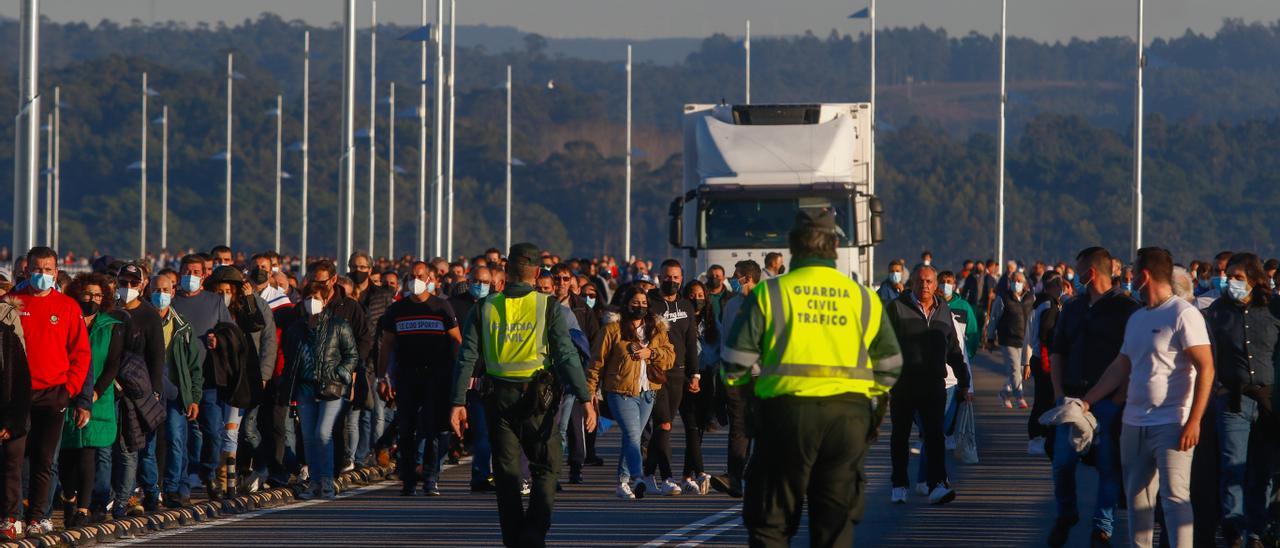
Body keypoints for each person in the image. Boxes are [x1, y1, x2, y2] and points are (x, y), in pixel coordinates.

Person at [721, 209, 903, 546]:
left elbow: (734, 362)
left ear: (793, 246)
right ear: (834, 245)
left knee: (770, 521)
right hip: (848, 419)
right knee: (834, 525)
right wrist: (872, 408)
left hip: (785, 416)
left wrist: (751, 403)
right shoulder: (863, 297)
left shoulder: (770, 293)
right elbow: (891, 364)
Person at [449, 243, 596, 548]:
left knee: (506, 472)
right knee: (547, 465)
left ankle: (514, 538)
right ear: (537, 272)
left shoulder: (485, 307)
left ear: (507, 270)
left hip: (497, 399)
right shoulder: (548, 306)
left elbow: (467, 356)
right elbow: (567, 355)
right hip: (537, 401)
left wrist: (457, 402)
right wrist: (585, 397)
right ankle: (533, 532)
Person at [1082, 247, 1214, 548]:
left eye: (1132, 272)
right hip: (1133, 423)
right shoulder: (1137, 318)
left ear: (1143, 276)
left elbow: (1206, 367)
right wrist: (1086, 401)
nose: (1129, 278)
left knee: (1175, 498)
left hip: (1173, 423)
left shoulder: (1183, 314)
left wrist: (1194, 420)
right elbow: (1121, 366)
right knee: (1137, 500)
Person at [1048, 246, 1141, 547]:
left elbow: (1133, 359)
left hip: (1109, 401)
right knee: (1062, 461)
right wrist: (1059, 393)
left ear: (1090, 273)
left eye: (1077, 272)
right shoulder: (1073, 308)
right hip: (1073, 399)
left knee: (1108, 466)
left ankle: (1103, 526)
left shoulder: (1127, 309)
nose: (1073, 279)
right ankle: (1066, 513)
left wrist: (1118, 400)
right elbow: (1058, 351)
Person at [3, 247, 91, 539]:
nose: (43, 275)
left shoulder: (67, 307)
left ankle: (38, 517)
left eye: (48, 269)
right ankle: (10, 517)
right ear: (26, 271)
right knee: (13, 457)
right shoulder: (9, 304)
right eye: (37, 269)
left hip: (54, 393)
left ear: (56, 272)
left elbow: (81, 353)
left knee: (45, 459)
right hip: (16, 395)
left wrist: (70, 390)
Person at [1203, 252, 1279, 547]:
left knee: (1262, 470)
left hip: (1268, 400)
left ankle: (1257, 530)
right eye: (1229, 276)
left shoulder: (1274, 309)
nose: (1230, 282)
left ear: (1254, 279)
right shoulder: (1218, 311)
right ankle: (1233, 527)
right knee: (1232, 462)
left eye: (1238, 277)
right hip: (1232, 397)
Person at [886, 264, 968, 505]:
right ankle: (899, 484)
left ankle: (937, 484)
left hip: (934, 384)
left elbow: (953, 349)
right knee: (900, 436)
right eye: (920, 281)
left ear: (936, 285)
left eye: (930, 281)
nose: (925, 286)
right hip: (903, 384)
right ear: (911, 282)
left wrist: (964, 381)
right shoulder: (897, 308)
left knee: (935, 436)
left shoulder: (944, 310)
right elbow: (883, 345)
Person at [378, 262, 460, 496]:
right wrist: (382, 376)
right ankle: (408, 479)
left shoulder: (441, 307)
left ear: (430, 279)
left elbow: (456, 341)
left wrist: (458, 374)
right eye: (412, 277)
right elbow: (387, 345)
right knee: (407, 429)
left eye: (420, 276)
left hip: (436, 375)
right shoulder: (397, 310)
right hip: (406, 375)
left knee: (433, 428)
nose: (416, 280)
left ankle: (431, 477)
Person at [586, 285, 674, 499]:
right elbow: (596, 363)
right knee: (633, 435)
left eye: (644, 303)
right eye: (635, 303)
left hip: (648, 392)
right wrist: (589, 394)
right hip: (620, 391)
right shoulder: (612, 330)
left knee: (631, 439)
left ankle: (622, 483)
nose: (640, 307)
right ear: (626, 304)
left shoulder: (657, 329)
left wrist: (651, 353)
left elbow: (670, 356)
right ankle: (637, 477)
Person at [281, 270, 360, 500]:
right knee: (308, 436)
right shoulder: (297, 329)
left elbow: (351, 355)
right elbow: (290, 356)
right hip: (305, 388)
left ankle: (327, 480)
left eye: (316, 298)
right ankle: (314, 481)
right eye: (307, 299)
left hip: (332, 388)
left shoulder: (339, 325)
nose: (311, 303)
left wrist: (340, 373)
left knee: (323, 433)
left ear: (325, 300)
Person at [59, 274, 125, 528]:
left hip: (98, 396)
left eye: (97, 295)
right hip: (67, 392)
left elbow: (112, 364)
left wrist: (96, 391)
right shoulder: (67, 319)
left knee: (89, 451)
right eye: (88, 294)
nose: (92, 299)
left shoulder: (111, 325)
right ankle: (68, 497)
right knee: (66, 454)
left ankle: (84, 508)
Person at [170, 254, 234, 499]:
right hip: (178, 378)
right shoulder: (171, 302)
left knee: (212, 431)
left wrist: (219, 340)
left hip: (208, 379)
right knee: (179, 435)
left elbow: (230, 333)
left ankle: (208, 471)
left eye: (195, 272)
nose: (190, 276)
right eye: (186, 271)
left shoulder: (215, 301)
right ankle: (182, 484)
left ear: (204, 275)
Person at [111, 263, 167, 513]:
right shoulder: (111, 312)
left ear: (143, 285)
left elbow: (157, 356)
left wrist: (154, 390)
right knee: (122, 447)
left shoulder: (149, 314)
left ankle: (150, 492)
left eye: (134, 283)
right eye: (124, 283)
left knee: (143, 447)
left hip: (142, 389)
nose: (129, 288)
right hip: (114, 387)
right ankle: (123, 497)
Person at [644, 259, 699, 496]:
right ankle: (666, 477)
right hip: (655, 372)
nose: (672, 281)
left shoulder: (686, 305)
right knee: (663, 423)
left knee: (664, 427)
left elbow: (690, 342)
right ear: (659, 277)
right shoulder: (650, 303)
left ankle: (646, 475)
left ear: (682, 278)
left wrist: (694, 374)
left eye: (676, 277)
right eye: (667, 276)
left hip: (679, 372)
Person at [708, 259, 762, 499]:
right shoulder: (731, 305)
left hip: (761, 376)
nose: (732, 279)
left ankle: (755, 473)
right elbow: (725, 341)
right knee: (738, 428)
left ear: (748, 278)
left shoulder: (766, 303)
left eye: (736, 276)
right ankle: (735, 477)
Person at [549, 263, 599, 484]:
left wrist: (591, 379)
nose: (561, 283)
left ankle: (576, 464)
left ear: (572, 282)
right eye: (557, 279)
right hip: (549, 376)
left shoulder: (581, 309)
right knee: (554, 426)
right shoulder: (543, 305)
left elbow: (592, 343)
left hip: (575, 374)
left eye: (565, 279)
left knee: (573, 425)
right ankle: (552, 471)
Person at [448, 264, 495, 491]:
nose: (481, 286)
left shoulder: (496, 305)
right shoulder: (455, 305)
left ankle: (486, 473)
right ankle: (479, 473)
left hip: (491, 378)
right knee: (478, 430)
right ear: (468, 280)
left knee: (488, 430)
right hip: (464, 375)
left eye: (486, 282)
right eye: (477, 281)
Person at [678, 280, 717, 495]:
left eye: (700, 294)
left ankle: (686, 475)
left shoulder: (711, 322)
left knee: (698, 428)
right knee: (690, 425)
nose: (696, 299)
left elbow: (717, 349)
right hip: (685, 376)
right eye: (692, 295)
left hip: (706, 376)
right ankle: (700, 472)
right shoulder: (682, 319)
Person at [1026, 272, 1065, 456]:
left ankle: (1038, 435)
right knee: (1044, 400)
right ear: (1055, 285)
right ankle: (1038, 436)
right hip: (1044, 358)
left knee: (1042, 398)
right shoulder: (1049, 305)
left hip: (1038, 356)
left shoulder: (1040, 302)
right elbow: (1046, 334)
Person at [987, 270, 1036, 409]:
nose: (1016, 283)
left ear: (1025, 283)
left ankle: (1004, 394)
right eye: (1014, 280)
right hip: (1007, 339)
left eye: (1019, 281)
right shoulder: (1002, 298)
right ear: (1009, 283)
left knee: (1018, 372)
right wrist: (990, 338)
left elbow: (1035, 318)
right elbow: (994, 318)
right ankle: (1019, 396)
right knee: (1015, 369)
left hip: (1025, 341)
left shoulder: (1030, 298)